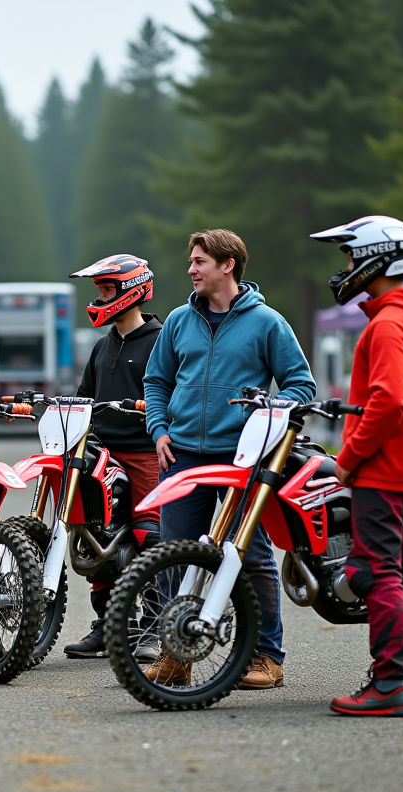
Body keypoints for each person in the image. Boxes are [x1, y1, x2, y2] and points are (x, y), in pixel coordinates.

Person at [142, 229, 315, 689]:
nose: (191, 269)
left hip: (244, 461)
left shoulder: (267, 323)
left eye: (199, 261)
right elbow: (156, 381)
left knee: (253, 557)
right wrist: (158, 429)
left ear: (227, 265)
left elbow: (300, 386)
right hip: (181, 455)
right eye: (192, 261)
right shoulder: (179, 321)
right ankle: (176, 656)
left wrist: (262, 419)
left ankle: (266, 657)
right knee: (173, 557)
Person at [311, 215, 403, 717]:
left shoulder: (389, 324)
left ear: (376, 257)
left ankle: (388, 685)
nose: (346, 267)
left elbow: (389, 401)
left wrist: (349, 459)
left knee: (377, 573)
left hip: (380, 474)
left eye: (350, 256)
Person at [62, 254, 162, 659]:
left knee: (150, 538)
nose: (99, 297)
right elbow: (85, 398)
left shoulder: (160, 341)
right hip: (103, 454)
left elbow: (167, 396)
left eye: (106, 289)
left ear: (131, 292)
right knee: (95, 535)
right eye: (98, 290)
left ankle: (155, 629)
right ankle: (108, 627)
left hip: (145, 454)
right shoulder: (103, 346)